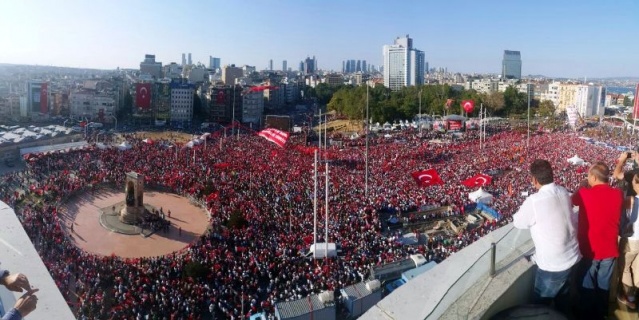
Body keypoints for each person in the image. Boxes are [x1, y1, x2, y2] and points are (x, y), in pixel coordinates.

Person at [513, 159, 581, 315]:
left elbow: (518, 222)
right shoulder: (563, 191)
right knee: (563, 304)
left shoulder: (534, 201)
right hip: (572, 257)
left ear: (534, 180)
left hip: (553, 265)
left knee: (538, 309)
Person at [572, 161, 624, 319]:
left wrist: (581, 186)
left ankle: (588, 315)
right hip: (609, 249)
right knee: (604, 286)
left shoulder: (583, 193)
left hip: (590, 250)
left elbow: (572, 200)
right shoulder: (618, 194)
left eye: (588, 176)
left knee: (587, 285)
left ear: (594, 177)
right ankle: (602, 314)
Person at [617, 172, 639, 309]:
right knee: (638, 268)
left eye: (634, 181)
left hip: (632, 240)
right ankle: (635, 293)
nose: (632, 183)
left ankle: (629, 297)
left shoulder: (631, 200)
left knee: (624, 267)